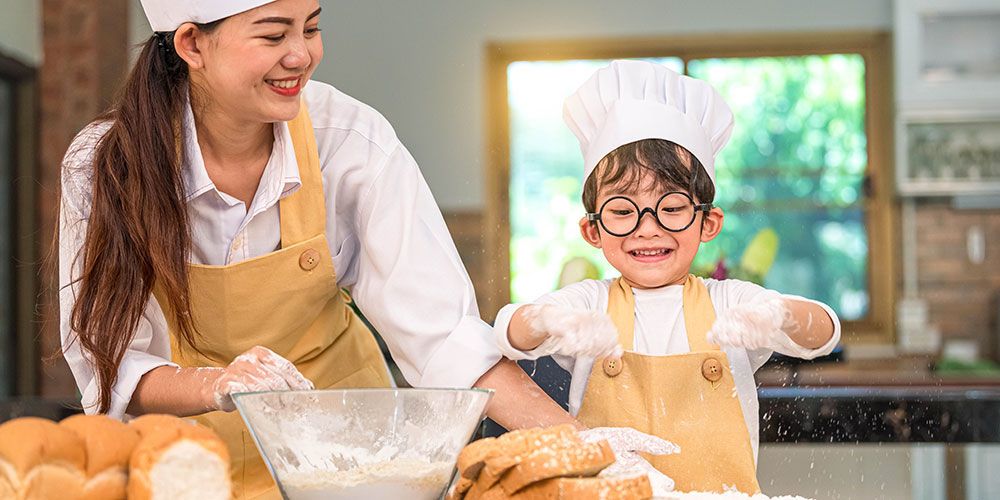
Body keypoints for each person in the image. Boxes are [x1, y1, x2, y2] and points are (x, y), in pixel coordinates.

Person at [58, 0, 577, 497]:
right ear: (192, 44)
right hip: (188, 466)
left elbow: (444, 334)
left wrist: (583, 445)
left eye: (311, 28)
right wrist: (217, 385)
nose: (301, 54)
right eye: (273, 34)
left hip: (348, 459)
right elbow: (111, 363)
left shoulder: (349, 141)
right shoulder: (104, 165)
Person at [492, 60, 841, 494]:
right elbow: (509, 330)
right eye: (622, 210)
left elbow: (823, 331)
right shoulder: (589, 305)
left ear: (708, 223)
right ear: (593, 230)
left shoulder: (729, 303)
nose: (648, 227)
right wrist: (546, 321)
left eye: (672, 207)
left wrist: (782, 315)